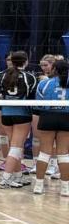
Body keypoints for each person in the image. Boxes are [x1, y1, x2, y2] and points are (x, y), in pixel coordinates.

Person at [0, 51, 37, 189]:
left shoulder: (1, 75)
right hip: (22, 114)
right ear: (26, 61)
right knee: (16, 147)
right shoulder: (30, 77)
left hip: (5, 114)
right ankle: (5, 178)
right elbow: (32, 97)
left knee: (15, 147)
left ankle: (18, 175)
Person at [34, 59, 69, 196]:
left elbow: (38, 104)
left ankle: (38, 185)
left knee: (44, 152)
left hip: (48, 116)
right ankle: (65, 188)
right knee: (63, 153)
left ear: (54, 69)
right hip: (66, 117)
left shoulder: (45, 83)